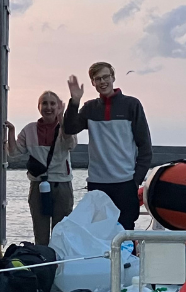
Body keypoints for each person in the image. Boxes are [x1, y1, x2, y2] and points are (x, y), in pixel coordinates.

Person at [63, 61, 152, 230]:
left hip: (125, 183)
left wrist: (136, 180)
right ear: (93, 83)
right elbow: (69, 128)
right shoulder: (90, 108)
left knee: (125, 232)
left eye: (105, 77)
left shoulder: (132, 105)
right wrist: (74, 101)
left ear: (113, 77)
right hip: (97, 183)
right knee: (98, 231)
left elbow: (145, 147)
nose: (102, 82)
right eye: (97, 79)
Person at [6, 91, 77, 245]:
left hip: (62, 185)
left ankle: (60, 266)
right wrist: (11, 131)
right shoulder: (29, 129)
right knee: (40, 234)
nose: (48, 107)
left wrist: (62, 120)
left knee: (61, 234)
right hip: (38, 185)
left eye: (53, 103)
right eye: (44, 103)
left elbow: (70, 144)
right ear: (39, 107)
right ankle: (42, 264)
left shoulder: (66, 128)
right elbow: (14, 153)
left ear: (59, 107)